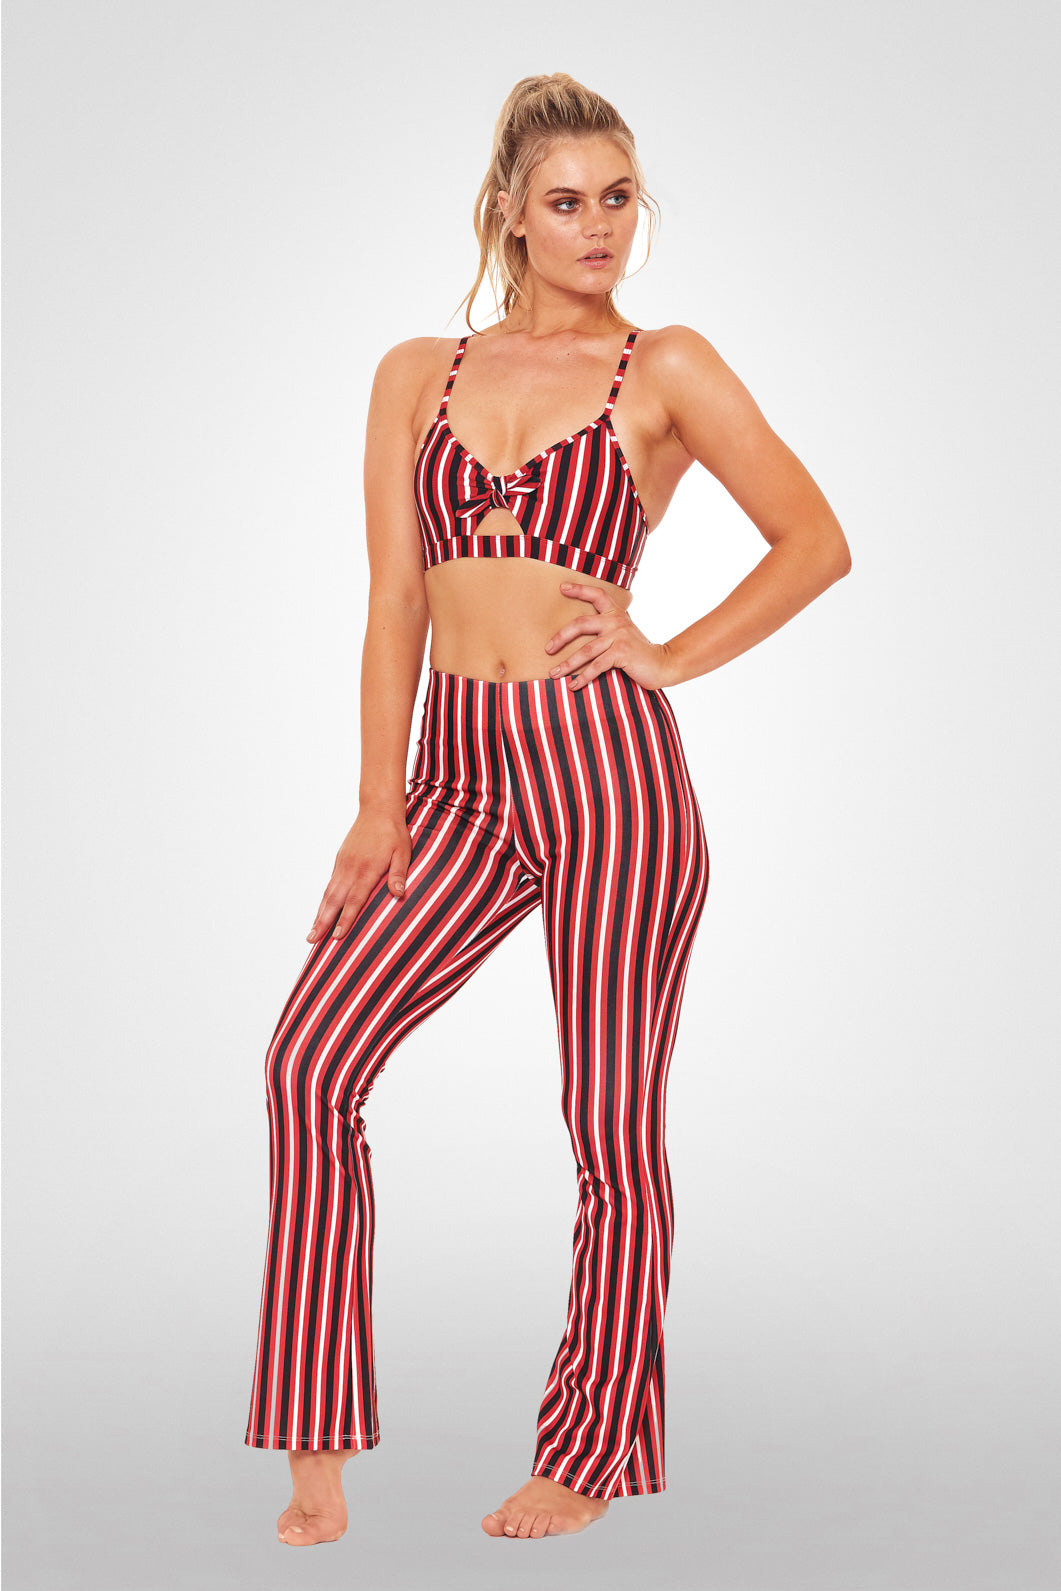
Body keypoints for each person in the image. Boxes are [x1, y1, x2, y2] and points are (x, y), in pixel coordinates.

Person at [244, 71, 851, 1547]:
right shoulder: (417, 373)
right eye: (567, 201)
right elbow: (395, 602)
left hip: (605, 767)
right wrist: (375, 803)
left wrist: (667, 654)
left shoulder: (667, 365)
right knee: (309, 1061)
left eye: (618, 198)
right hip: (454, 771)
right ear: (508, 213)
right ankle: (315, 1440)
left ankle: (590, 1449)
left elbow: (814, 540)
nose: (598, 227)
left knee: (608, 1122)